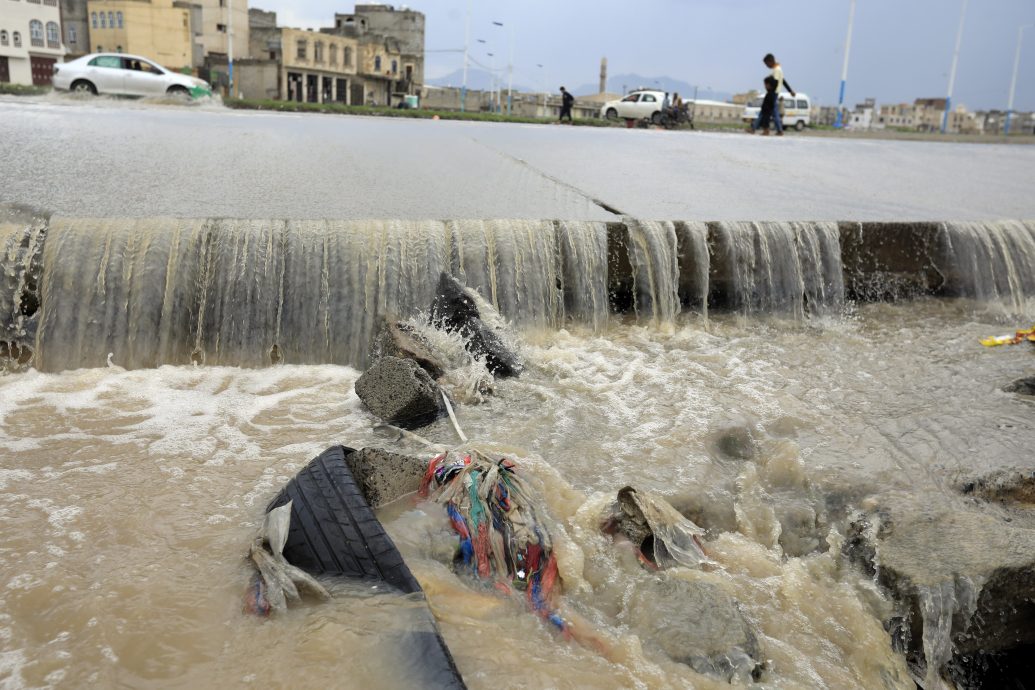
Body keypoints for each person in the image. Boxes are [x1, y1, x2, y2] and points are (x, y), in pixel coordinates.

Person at [760, 53, 796, 135]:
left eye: (766, 64)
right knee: (773, 112)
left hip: (773, 93)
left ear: (770, 61)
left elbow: (775, 83)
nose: (766, 66)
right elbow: (783, 81)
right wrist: (790, 91)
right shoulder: (778, 69)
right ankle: (778, 130)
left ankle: (769, 130)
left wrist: (768, 86)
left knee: (768, 112)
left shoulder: (777, 70)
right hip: (774, 93)